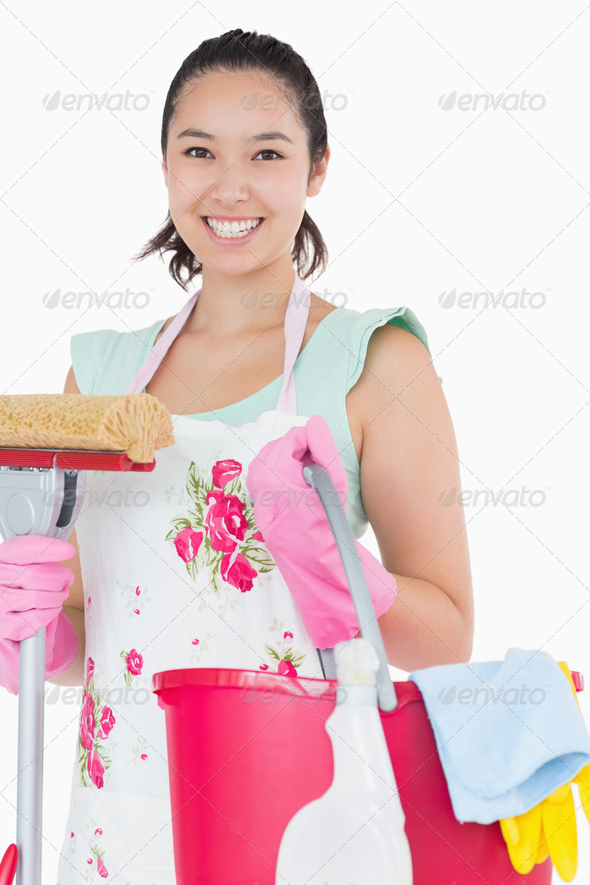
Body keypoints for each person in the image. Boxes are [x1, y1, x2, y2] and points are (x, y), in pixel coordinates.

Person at [1, 28, 474, 884]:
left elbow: (448, 636)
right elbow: (81, 634)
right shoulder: (100, 375)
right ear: (167, 169)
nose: (230, 185)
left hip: (302, 822)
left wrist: (357, 586)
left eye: (266, 152)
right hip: (120, 833)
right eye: (198, 151)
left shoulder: (376, 361)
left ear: (317, 168)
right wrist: (23, 632)